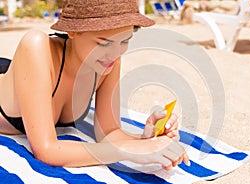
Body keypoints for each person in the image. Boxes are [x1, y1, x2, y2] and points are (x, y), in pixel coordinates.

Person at [0, 0, 189, 170]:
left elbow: (109, 133)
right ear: (72, 31)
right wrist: (127, 150)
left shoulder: (108, 61)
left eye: (125, 41)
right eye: (103, 43)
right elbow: (46, 150)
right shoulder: (36, 46)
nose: (115, 52)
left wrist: (145, 139)